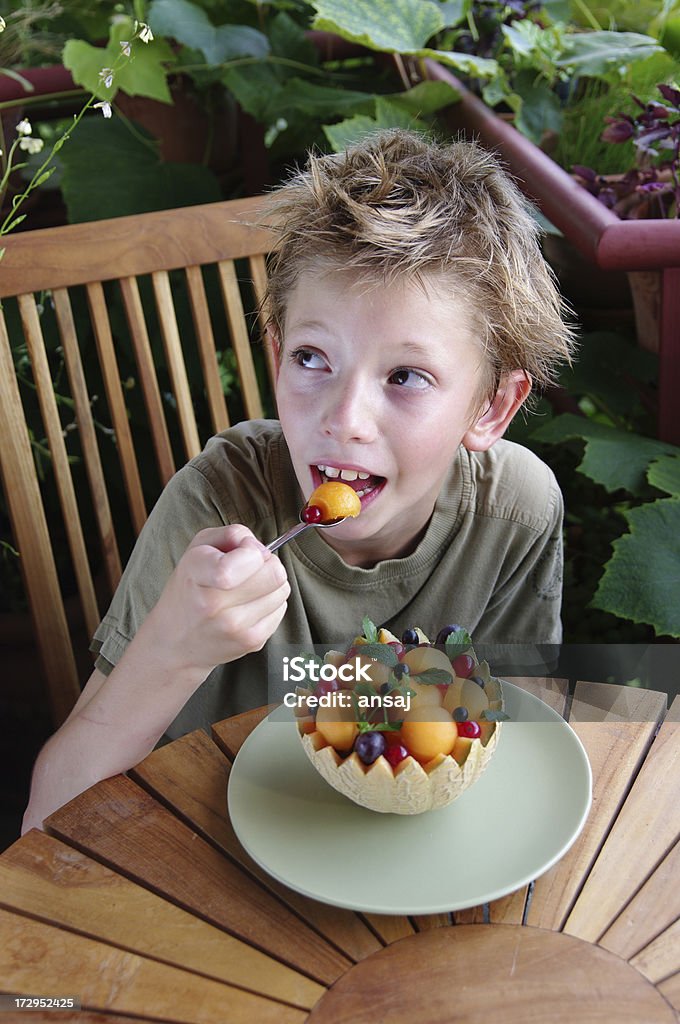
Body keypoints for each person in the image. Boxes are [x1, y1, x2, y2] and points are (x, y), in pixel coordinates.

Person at [22, 129, 575, 832]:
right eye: (314, 358)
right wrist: (171, 649)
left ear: (492, 406)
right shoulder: (216, 508)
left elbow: (514, 755)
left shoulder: (515, 517)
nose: (344, 421)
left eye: (405, 376)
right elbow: (46, 818)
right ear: (277, 354)